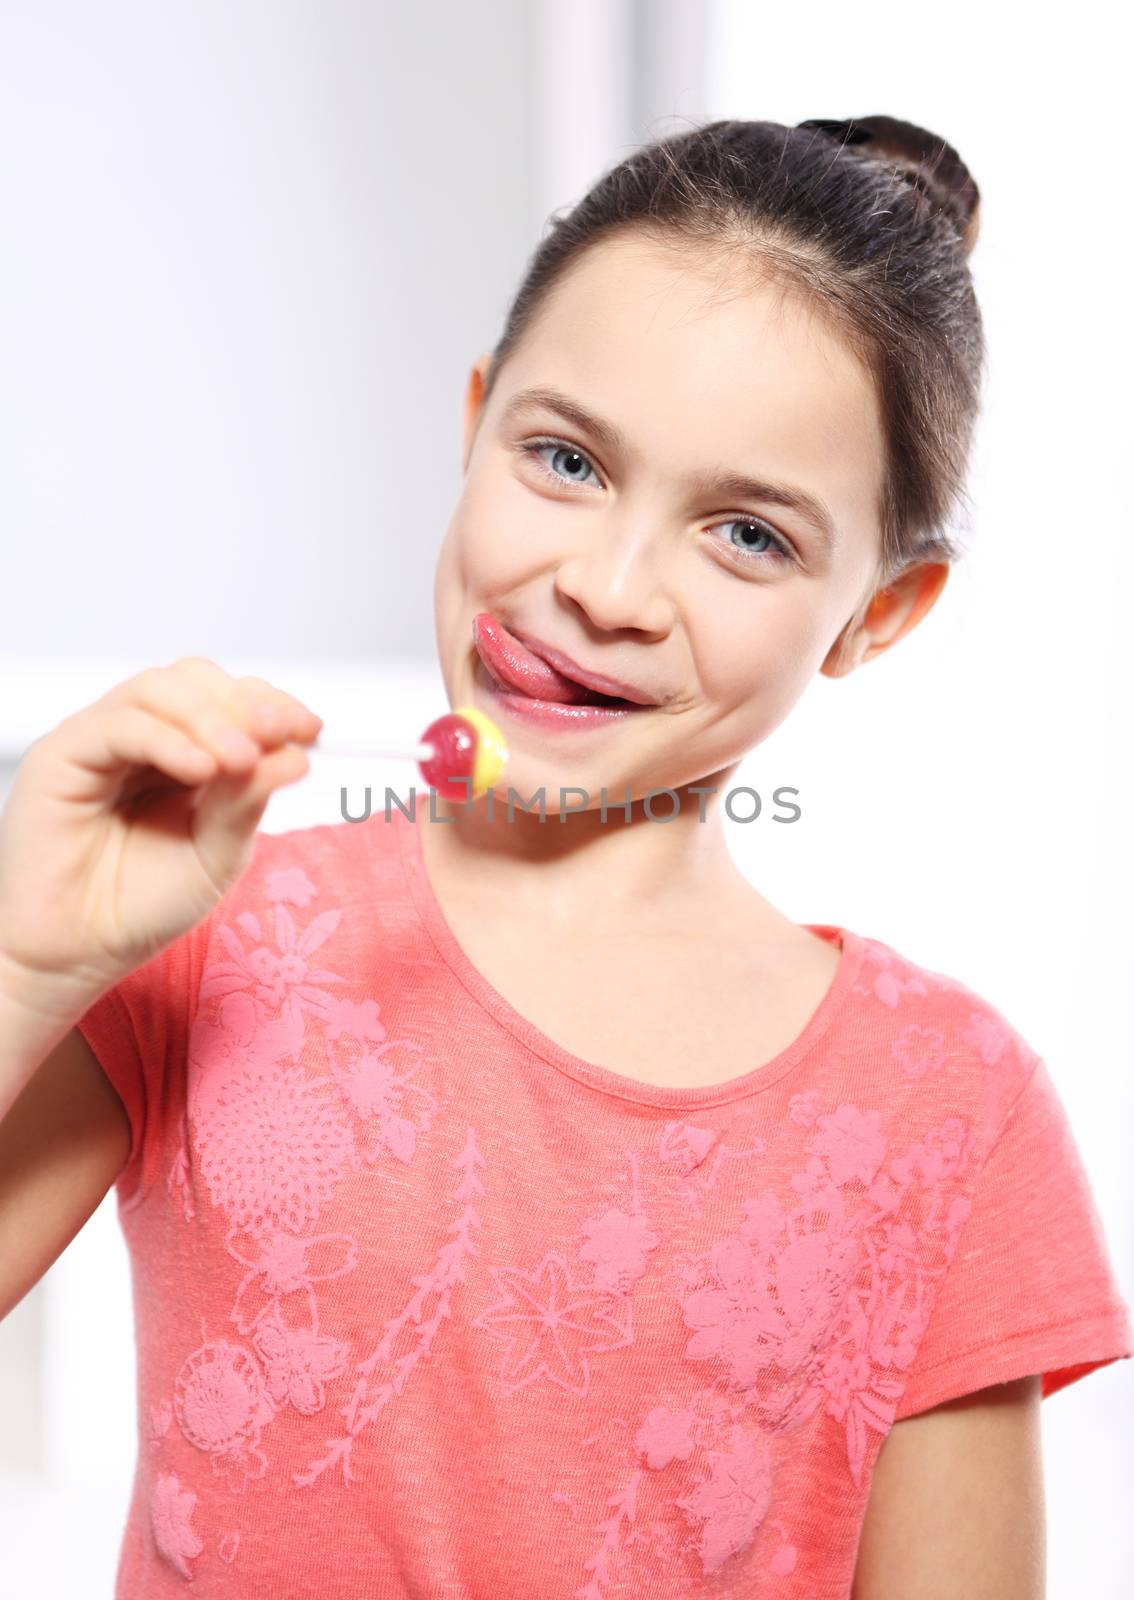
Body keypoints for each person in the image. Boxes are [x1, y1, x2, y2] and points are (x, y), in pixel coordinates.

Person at [0, 114, 1129, 1599]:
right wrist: (25, 970)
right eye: (563, 459)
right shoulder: (208, 942)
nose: (601, 589)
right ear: (473, 423)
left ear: (881, 613)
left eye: (745, 536)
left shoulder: (949, 1113)